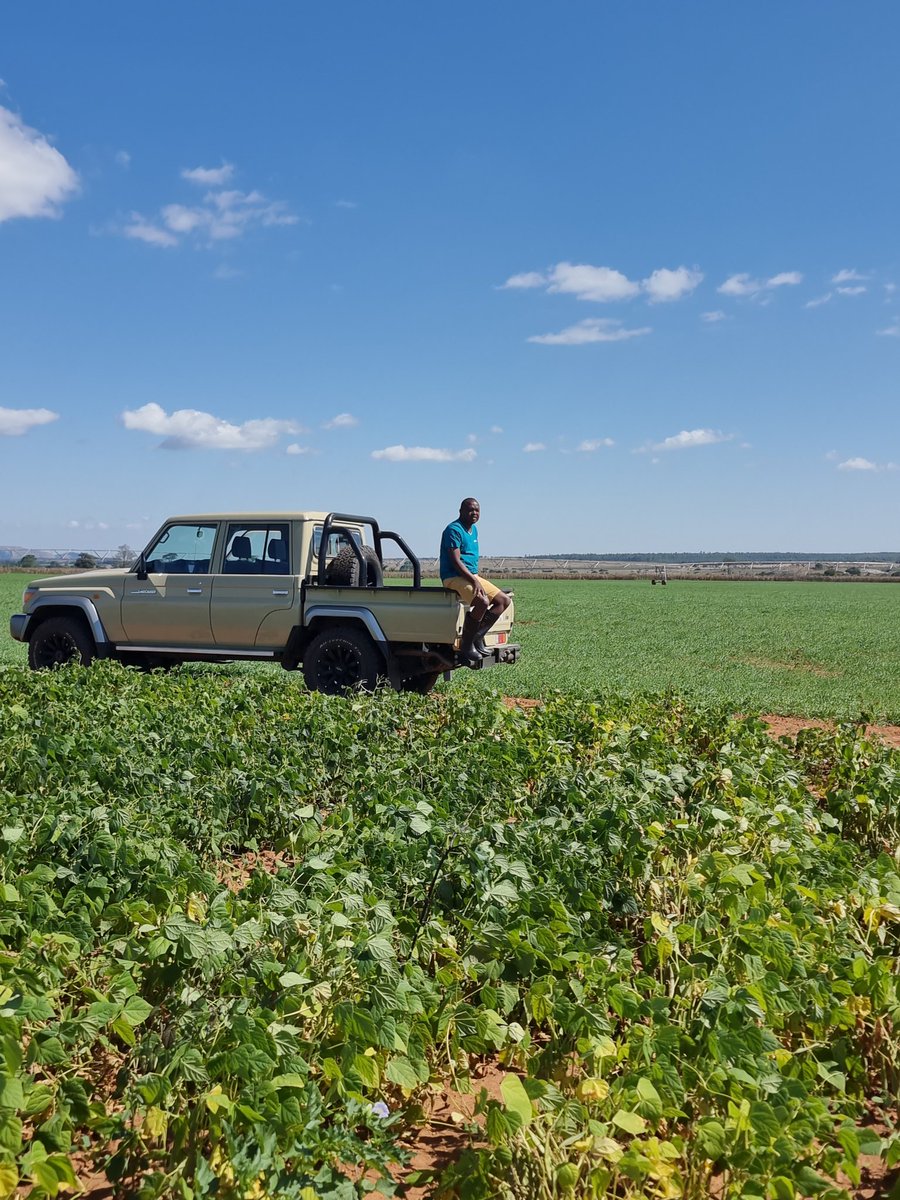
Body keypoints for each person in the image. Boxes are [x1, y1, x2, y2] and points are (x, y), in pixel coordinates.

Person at [440, 497, 511, 666]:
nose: (474, 513)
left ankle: (477, 638)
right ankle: (466, 644)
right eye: (470, 510)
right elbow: (456, 562)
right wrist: (474, 581)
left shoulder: (474, 530)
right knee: (481, 601)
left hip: (471, 576)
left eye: (477, 510)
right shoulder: (453, 529)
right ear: (461, 512)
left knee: (503, 601)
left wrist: (475, 579)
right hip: (453, 576)